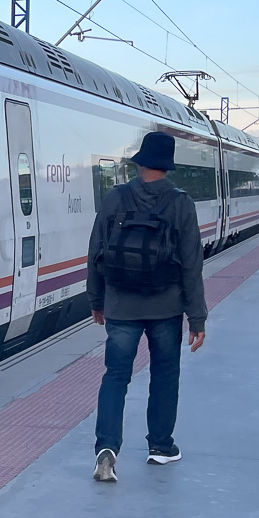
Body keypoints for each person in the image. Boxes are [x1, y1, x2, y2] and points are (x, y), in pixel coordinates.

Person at [87, 131, 208, 483]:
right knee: (165, 375)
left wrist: (97, 300)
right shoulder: (181, 202)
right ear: (168, 167)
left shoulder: (115, 197)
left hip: (121, 304)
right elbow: (191, 264)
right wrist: (197, 317)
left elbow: (96, 252)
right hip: (165, 306)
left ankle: (106, 449)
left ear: (139, 163)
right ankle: (161, 446)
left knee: (116, 376)